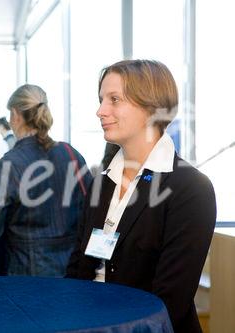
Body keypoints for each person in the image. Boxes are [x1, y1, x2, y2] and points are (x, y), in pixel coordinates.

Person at [66, 60, 216, 333]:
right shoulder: (102, 181)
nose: (100, 111)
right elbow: (79, 269)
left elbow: (170, 300)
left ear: (152, 109)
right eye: (101, 100)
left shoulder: (191, 189)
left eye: (114, 100)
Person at [0, 84, 92, 277]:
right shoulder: (71, 154)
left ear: (15, 114)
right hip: (74, 269)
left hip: (28, 274)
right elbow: (90, 210)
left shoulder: (8, 165)